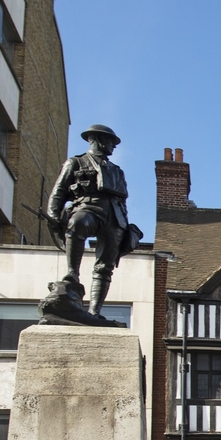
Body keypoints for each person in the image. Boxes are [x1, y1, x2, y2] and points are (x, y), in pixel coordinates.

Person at [47, 124, 138, 317]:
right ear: (96, 139)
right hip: (88, 207)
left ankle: (94, 311)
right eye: (110, 141)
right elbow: (59, 192)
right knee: (77, 225)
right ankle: (73, 272)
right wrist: (54, 214)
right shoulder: (76, 163)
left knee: (105, 266)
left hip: (114, 217)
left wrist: (125, 226)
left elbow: (123, 201)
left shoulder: (117, 171)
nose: (113, 146)